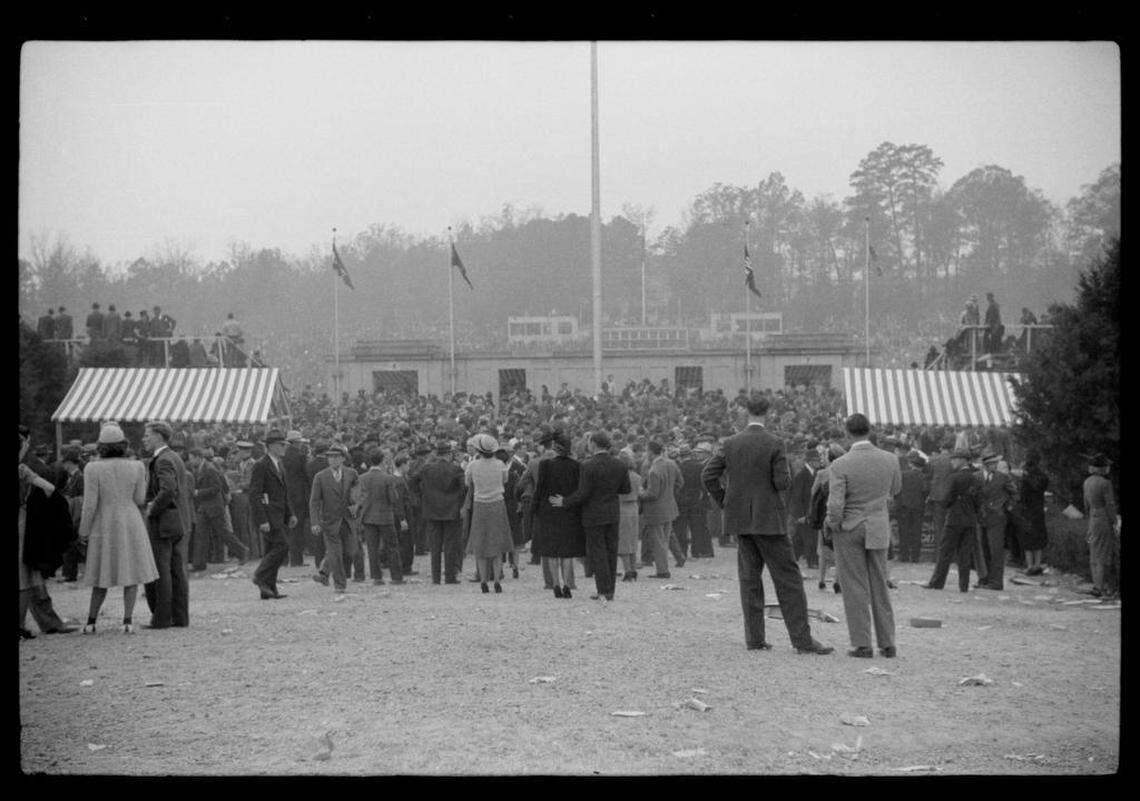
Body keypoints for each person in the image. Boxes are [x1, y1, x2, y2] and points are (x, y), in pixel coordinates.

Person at [701, 396, 834, 655]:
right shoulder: (774, 443)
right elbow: (782, 482)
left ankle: (755, 639)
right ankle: (802, 640)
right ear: (767, 414)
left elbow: (708, 475)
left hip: (740, 520)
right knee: (789, 581)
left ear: (745, 413)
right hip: (769, 520)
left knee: (750, 580)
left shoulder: (729, 443)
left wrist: (726, 502)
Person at [825, 414, 902, 659]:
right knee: (880, 584)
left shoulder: (840, 464)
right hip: (878, 526)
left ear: (847, 434)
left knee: (855, 587)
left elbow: (835, 505)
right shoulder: (890, 459)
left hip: (849, 527)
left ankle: (862, 644)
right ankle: (888, 643)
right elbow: (896, 489)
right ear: (869, 430)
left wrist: (832, 524)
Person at [76, 423, 159, 634]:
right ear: (124, 445)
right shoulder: (137, 466)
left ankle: (91, 621)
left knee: (101, 571)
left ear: (101, 446)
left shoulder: (92, 468)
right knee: (129, 571)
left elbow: (90, 504)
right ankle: (127, 620)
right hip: (130, 520)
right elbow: (140, 498)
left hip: (104, 521)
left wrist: (83, 531)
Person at [552, 430, 631, 602]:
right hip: (612, 512)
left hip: (593, 514)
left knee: (598, 553)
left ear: (594, 444)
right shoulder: (620, 465)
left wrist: (565, 501)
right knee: (611, 551)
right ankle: (610, 590)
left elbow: (583, 493)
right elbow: (626, 489)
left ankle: (602, 589)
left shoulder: (587, 465)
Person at [19, 431, 78, 639]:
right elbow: (50, 489)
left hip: (27, 522)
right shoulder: (28, 467)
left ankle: (48, 621)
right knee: (27, 576)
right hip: (25, 524)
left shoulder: (30, 465)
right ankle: (45, 622)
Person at [141, 420, 192, 628]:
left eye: (147, 435)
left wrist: (153, 507)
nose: (144, 438)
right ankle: (180, 617)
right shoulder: (174, 457)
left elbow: (168, 489)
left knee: (161, 571)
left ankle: (162, 618)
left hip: (164, 522)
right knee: (177, 571)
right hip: (179, 520)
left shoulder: (162, 460)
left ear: (158, 436)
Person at [531, 430, 584, 598]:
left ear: (555, 447)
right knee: (567, 552)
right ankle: (568, 583)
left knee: (552, 551)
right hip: (569, 512)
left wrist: (534, 510)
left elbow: (539, 490)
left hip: (549, 511)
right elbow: (579, 491)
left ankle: (555, 584)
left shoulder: (545, 465)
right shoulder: (577, 466)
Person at [922, 450, 982, 593]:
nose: (952, 462)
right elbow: (979, 501)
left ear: (963, 460)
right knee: (965, 553)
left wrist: (947, 504)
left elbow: (947, 498)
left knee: (945, 552)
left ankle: (937, 582)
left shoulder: (954, 477)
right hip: (970, 519)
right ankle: (964, 585)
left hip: (954, 518)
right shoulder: (976, 478)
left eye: (955, 460)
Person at [408, 442, 466, 585]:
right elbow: (463, 488)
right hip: (451, 509)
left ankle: (436, 577)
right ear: (449, 454)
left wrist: (423, 495)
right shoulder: (456, 469)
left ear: (437, 454)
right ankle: (450, 576)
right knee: (450, 544)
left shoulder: (427, 468)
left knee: (435, 545)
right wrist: (458, 501)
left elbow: (412, 481)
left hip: (431, 508)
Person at [464, 434, 515, 594]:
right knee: (497, 543)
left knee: (480, 543)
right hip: (497, 504)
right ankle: (497, 580)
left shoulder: (472, 465)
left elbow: (468, 483)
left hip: (480, 504)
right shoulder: (500, 464)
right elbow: (505, 480)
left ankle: (484, 580)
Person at [249, 429, 297, 600]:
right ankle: (260, 576)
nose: (284, 447)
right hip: (269, 515)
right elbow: (255, 494)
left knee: (272, 549)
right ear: (270, 446)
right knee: (282, 546)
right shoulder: (261, 465)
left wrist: (290, 513)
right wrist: (262, 519)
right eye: (281, 445)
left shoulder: (279, 464)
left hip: (279, 514)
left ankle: (268, 589)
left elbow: (284, 493)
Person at [187, 448, 248, 571]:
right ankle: (199, 564)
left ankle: (242, 551)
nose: (190, 461)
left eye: (191, 458)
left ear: (198, 457)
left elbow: (216, 488)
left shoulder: (209, 469)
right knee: (201, 535)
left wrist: (198, 492)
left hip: (214, 507)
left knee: (223, 533)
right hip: (205, 507)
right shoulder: (203, 468)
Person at [356, 448, 405, 586]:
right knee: (392, 547)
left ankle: (377, 577)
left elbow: (359, 498)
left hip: (368, 517)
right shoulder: (388, 478)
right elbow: (393, 498)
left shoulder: (362, 478)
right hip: (385, 517)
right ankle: (396, 576)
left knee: (372, 548)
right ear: (382, 460)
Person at [639, 439, 685, 578]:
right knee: (665, 538)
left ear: (651, 452)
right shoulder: (671, 463)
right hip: (669, 507)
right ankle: (664, 568)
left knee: (658, 542)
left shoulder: (653, 470)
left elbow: (652, 494)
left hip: (655, 510)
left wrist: (639, 493)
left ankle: (662, 570)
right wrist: (669, 494)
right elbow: (680, 482)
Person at [976, 448, 1016, 590]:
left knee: (996, 551)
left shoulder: (1003, 477)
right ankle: (984, 579)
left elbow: (1015, 494)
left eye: (995, 463)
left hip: (997, 518)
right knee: (983, 550)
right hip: (981, 518)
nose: (995, 465)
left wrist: (1007, 507)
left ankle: (996, 582)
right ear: (985, 464)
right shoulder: (977, 477)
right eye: (992, 463)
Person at [812, 442, 847, 592]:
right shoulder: (845, 472)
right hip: (841, 514)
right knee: (840, 549)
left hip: (823, 515)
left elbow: (813, 493)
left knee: (823, 550)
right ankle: (837, 581)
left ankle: (821, 580)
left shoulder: (822, 474)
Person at [1083, 454, 1119, 599]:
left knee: (1094, 552)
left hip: (1093, 516)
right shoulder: (1105, 483)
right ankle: (1101, 587)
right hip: (1103, 517)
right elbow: (1110, 504)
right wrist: (1115, 521)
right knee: (1104, 553)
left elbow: (1085, 503)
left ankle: (1096, 585)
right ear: (1102, 468)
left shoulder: (1087, 481)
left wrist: (1089, 519)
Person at [1013, 451, 1049, 576]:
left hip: (1027, 510)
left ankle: (1029, 566)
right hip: (1038, 509)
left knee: (1027, 539)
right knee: (1038, 537)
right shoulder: (1043, 476)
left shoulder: (1025, 478)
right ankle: (1038, 565)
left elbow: (1022, 496)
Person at [674, 444, 712, 560]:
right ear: (690, 454)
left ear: (680, 455)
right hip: (696, 498)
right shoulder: (699, 466)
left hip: (681, 500)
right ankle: (696, 552)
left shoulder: (678, 467)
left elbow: (676, 484)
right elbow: (704, 484)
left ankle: (683, 552)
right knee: (696, 527)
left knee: (681, 528)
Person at [788, 446, 821, 570]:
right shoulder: (802, 475)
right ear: (811, 461)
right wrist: (800, 514)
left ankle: (798, 558)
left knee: (804, 537)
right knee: (808, 537)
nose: (819, 462)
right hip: (804, 511)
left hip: (812, 511)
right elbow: (797, 496)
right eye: (817, 460)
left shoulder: (815, 474)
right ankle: (811, 561)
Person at [282, 430, 312, 567]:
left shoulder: (283, 455)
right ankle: (296, 559)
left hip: (287, 493)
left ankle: (286, 559)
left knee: (288, 526)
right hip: (299, 494)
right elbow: (306, 475)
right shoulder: (300, 456)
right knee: (298, 527)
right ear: (297, 442)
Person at [895, 451, 929, 562]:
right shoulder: (923, 477)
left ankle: (903, 555)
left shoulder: (903, 474)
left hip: (904, 506)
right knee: (916, 531)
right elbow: (925, 491)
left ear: (912, 465)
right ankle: (915, 556)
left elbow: (897, 489)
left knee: (903, 531)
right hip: (918, 507)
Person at [616, 450, 643, 582]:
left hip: (621, 508)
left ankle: (628, 571)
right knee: (632, 540)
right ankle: (633, 569)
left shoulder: (618, 477)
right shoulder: (637, 476)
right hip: (633, 507)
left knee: (623, 542)